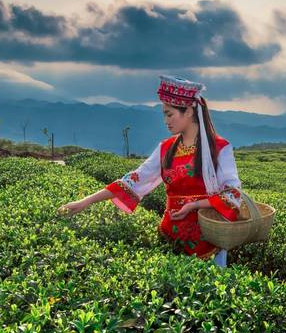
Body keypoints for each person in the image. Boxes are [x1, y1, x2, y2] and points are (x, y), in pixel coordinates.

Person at [57, 75, 243, 267]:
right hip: (170, 236)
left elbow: (233, 194)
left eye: (170, 114)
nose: (166, 121)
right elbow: (133, 180)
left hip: (208, 240)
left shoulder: (219, 148)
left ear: (188, 111)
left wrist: (194, 205)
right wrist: (84, 202)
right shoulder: (166, 148)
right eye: (164, 115)